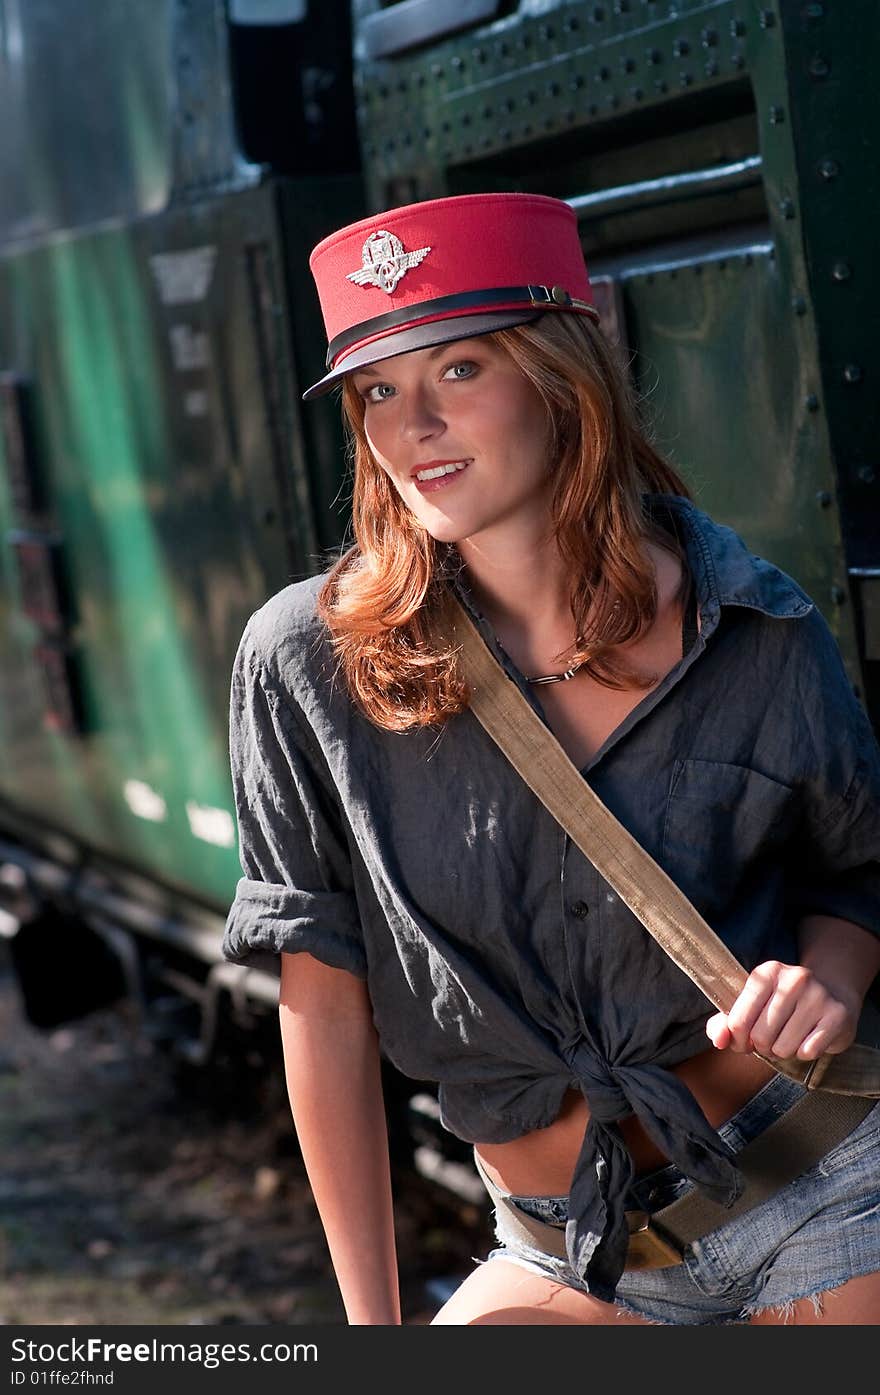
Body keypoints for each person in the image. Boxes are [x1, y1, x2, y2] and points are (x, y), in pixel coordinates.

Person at [222, 192, 880, 1325]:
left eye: (460, 371)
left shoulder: (754, 625)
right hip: (561, 1258)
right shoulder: (303, 663)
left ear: (560, 375)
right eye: (377, 391)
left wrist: (828, 979)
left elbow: (854, 875)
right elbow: (322, 1011)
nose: (412, 423)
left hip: (824, 1194)